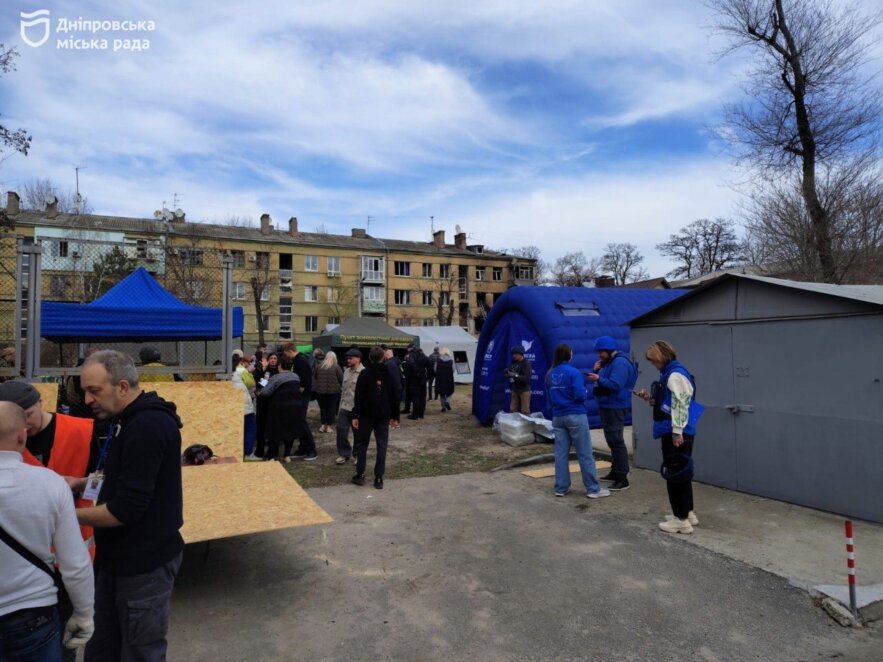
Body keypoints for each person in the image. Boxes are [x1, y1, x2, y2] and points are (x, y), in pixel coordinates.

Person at [75, 350, 184, 661]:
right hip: (117, 559)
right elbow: (125, 477)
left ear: (122, 386)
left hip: (143, 564)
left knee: (139, 650)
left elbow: (126, 509)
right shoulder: (125, 419)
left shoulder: (147, 426)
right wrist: (83, 483)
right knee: (102, 646)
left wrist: (62, 515)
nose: (87, 399)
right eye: (85, 390)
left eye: (94, 390)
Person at [0, 401, 96, 660]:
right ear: (22, 435)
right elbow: (75, 563)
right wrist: (84, 614)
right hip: (32, 613)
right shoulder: (50, 485)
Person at [0, 381, 98, 558]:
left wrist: (82, 488)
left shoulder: (82, 431)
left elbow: (100, 480)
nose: (24, 425)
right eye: (15, 420)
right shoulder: (5, 440)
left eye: (28, 415)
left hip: (77, 536)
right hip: (26, 546)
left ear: (41, 403)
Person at [635, 340, 702, 535]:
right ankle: (687, 512)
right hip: (681, 429)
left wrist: (676, 432)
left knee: (674, 473)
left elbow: (680, 404)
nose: (653, 365)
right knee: (683, 472)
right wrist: (649, 398)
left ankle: (680, 520)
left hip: (675, 431)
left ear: (661, 357)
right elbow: (669, 402)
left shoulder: (674, 375)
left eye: (653, 361)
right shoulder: (675, 372)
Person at [546, 343, 610, 500]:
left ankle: (561, 487)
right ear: (569, 355)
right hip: (575, 415)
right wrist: (586, 390)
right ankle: (593, 489)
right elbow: (580, 395)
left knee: (561, 454)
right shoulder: (573, 372)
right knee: (585, 453)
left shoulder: (550, 373)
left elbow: (549, 398)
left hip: (558, 416)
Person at [587, 336, 638, 492]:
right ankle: (615, 471)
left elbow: (615, 384)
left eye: (601, 352)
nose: (599, 355)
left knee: (616, 441)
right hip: (608, 405)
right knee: (612, 440)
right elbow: (606, 380)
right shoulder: (610, 362)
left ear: (609, 350)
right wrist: (597, 371)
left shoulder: (620, 363)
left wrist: (598, 378)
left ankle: (622, 478)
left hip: (615, 406)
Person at [352, 346, 400, 490]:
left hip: (366, 414)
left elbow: (358, 396)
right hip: (383, 415)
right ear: (383, 357)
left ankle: (360, 474)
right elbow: (395, 396)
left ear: (370, 357)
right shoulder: (389, 374)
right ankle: (378, 477)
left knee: (361, 444)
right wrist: (395, 416)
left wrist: (355, 415)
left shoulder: (365, 373)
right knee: (382, 446)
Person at [258, 355, 303, 462]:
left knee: (275, 432)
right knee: (290, 431)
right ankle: (287, 455)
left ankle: (273, 456)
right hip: (294, 408)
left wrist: (264, 381)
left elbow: (265, 392)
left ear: (280, 366)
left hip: (278, 409)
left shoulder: (276, 378)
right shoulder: (296, 376)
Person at [280, 343, 317, 460]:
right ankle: (303, 448)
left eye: (285, 353)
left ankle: (311, 449)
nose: (285, 356)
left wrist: (296, 396)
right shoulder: (298, 360)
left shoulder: (300, 361)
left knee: (302, 423)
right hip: (301, 397)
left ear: (289, 351)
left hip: (301, 397)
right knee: (299, 423)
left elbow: (303, 383)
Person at [334, 348, 364, 465]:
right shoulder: (346, 371)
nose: (348, 360)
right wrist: (340, 407)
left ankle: (357, 455)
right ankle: (344, 453)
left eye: (351, 358)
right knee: (341, 430)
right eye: (348, 358)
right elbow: (343, 390)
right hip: (345, 407)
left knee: (358, 434)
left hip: (357, 409)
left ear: (358, 359)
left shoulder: (363, 372)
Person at [231, 353, 258, 460]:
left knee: (237, 430)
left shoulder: (229, 372)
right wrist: (250, 372)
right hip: (245, 406)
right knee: (250, 429)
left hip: (234, 406)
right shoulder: (241, 371)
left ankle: (237, 452)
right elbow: (251, 384)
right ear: (241, 362)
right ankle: (248, 453)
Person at [314, 351, 343, 433]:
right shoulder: (336, 367)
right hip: (333, 391)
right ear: (334, 358)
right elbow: (341, 378)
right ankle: (329, 426)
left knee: (323, 408)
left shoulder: (319, 366)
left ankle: (323, 425)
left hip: (320, 391)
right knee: (331, 408)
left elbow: (315, 377)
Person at [403, 344, 429, 420]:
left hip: (414, 378)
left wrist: (417, 373)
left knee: (416, 397)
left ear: (409, 349)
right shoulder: (422, 354)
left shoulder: (410, 355)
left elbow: (411, 364)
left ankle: (415, 415)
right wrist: (427, 375)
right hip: (423, 377)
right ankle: (421, 414)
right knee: (422, 396)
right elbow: (429, 364)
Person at [505, 345, 532, 414]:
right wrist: (507, 373)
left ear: (521, 354)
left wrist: (515, 375)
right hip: (515, 389)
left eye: (516, 354)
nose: (514, 355)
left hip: (524, 390)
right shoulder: (514, 362)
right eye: (513, 354)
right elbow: (511, 373)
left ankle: (526, 425)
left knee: (525, 411)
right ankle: (513, 425)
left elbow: (527, 379)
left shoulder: (526, 363)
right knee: (512, 410)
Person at [434, 347, 455, 412]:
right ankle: (447, 402)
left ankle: (443, 407)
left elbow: (435, 369)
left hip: (440, 379)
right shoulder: (451, 361)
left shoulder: (437, 360)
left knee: (441, 393)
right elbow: (453, 370)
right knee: (450, 392)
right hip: (449, 379)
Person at [383, 349, 403, 415]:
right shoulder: (398, 362)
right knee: (396, 407)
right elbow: (402, 374)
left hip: (392, 389)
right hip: (398, 387)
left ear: (387, 355)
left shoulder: (388, 364)